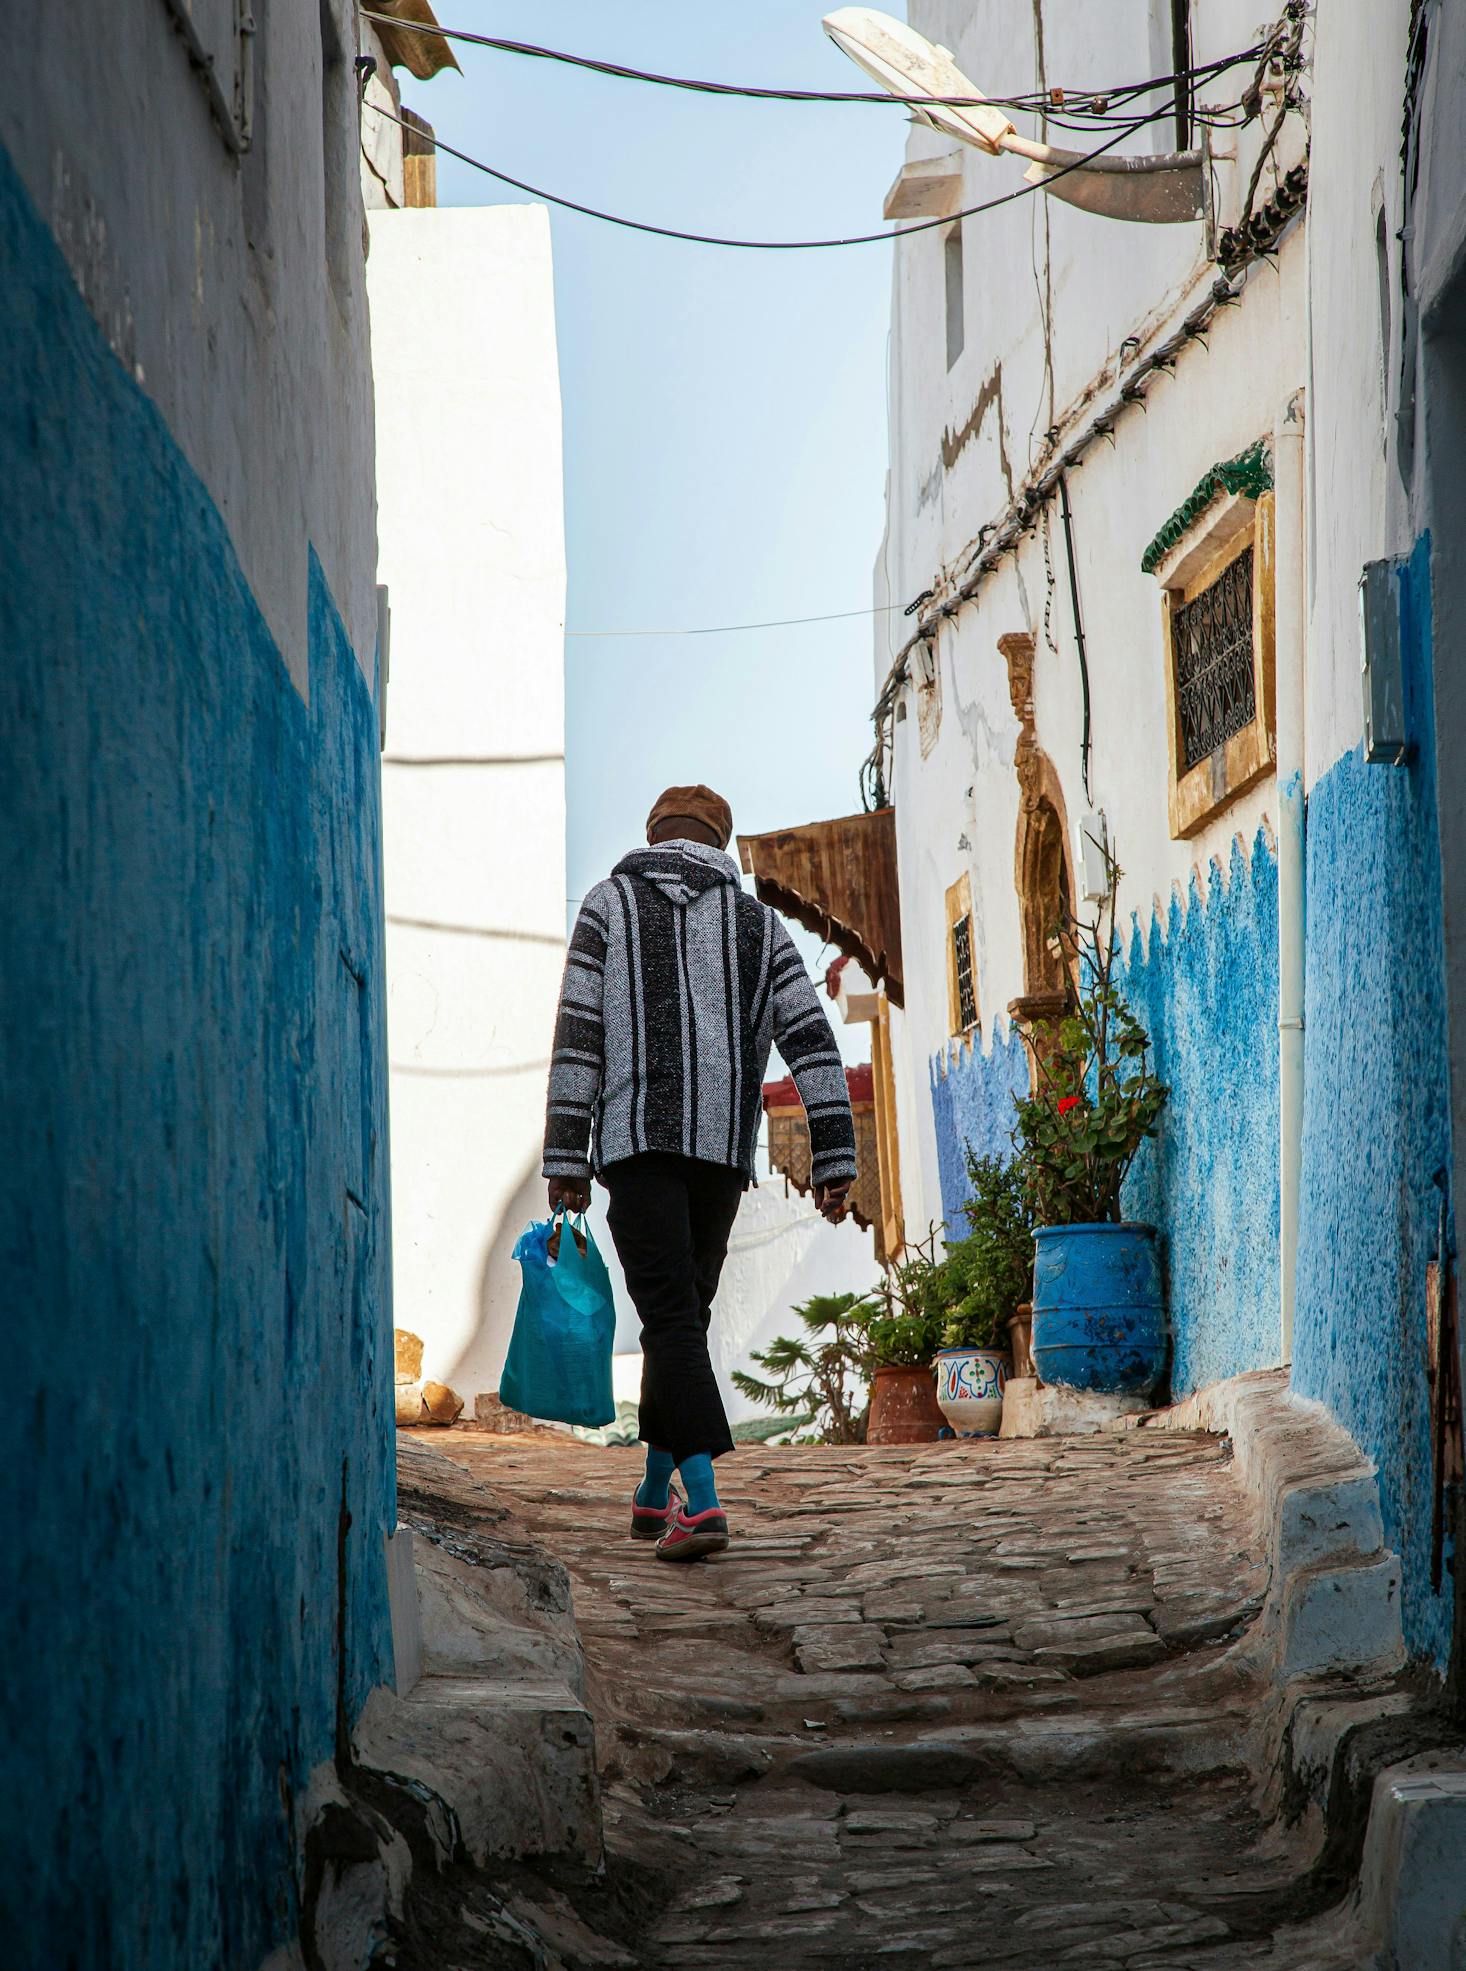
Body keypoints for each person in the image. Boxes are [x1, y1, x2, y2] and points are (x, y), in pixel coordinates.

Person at [542, 783, 856, 1561]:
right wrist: (835, 1154)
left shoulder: (606, 905)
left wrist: (565, 1155)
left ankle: (703, 1504)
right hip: (720, 1155)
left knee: (671, 1320)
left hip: (637, 1145)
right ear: (720, 843)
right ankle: (655, 1490)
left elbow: (579, 1031)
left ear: (653, 835)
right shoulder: (758, 925)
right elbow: (812, 1039)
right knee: (680, 1318)